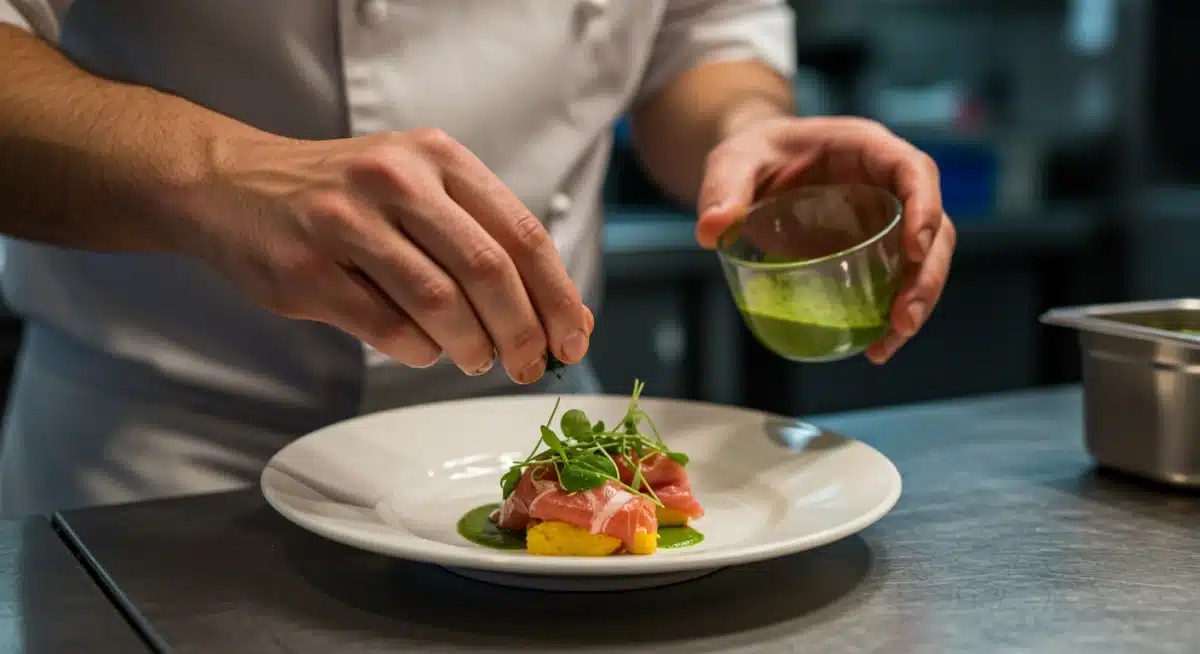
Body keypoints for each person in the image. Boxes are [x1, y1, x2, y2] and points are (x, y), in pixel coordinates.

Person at [0, 1, 955, 518]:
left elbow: (699, 34)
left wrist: (754, 136)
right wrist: (221, 172)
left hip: (534, 428)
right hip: (161, 466)